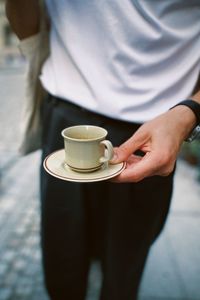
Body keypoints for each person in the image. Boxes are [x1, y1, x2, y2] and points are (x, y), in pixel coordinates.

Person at [6, 1, 200, 299]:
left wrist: (189, 113)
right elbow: (26, 24)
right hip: (65, 122)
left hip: (154, 132)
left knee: (124, 274)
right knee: (61, 269)